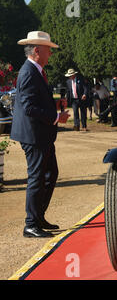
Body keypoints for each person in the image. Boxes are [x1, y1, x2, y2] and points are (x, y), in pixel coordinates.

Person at [11, 31, 70, 238]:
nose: (50, 54)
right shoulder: (29, 72)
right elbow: (28, 107)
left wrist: (53, 106)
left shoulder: (33, 70)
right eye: (48, 50)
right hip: (34, 135)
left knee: (50, 173)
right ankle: (30, 224)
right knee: (38, 176)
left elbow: (33, 103)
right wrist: (56, 116)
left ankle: (37, 217)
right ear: (37, 51)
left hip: (40, 134)